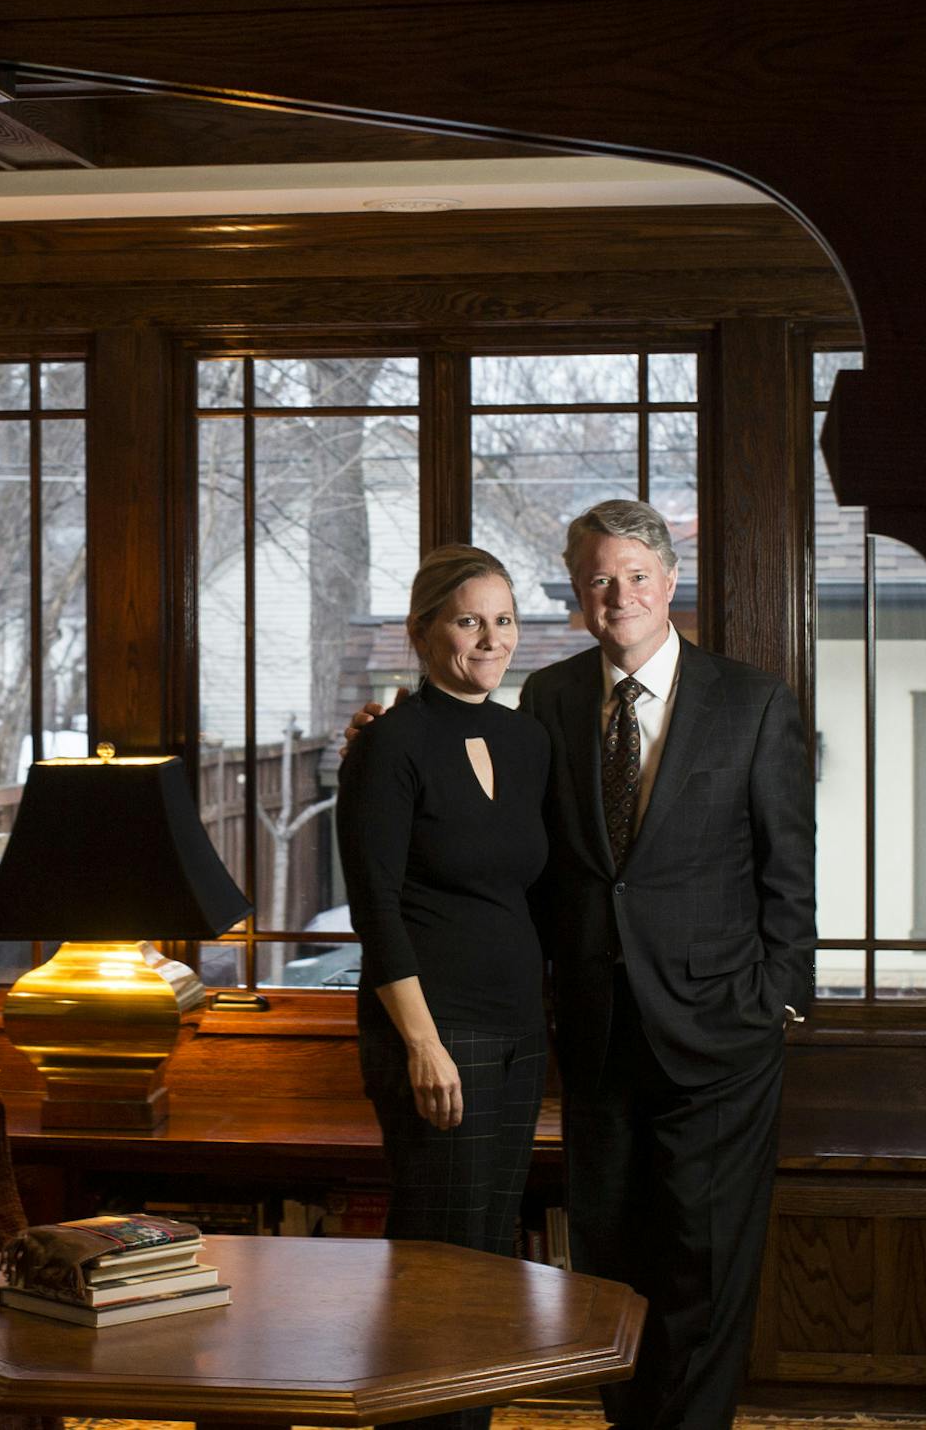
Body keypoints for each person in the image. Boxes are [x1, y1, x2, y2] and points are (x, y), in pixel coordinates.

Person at [344, 502, 815, 1430]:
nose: (620, 594)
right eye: (599, 579)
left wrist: (778, 1002)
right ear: (579, 595)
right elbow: (471, 809)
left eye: (637, 575)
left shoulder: (752, 701)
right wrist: (383, 730)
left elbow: (788, 871)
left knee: (708, 1262)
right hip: (594, 1032)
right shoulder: (548, 703)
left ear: (670, 583)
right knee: (611, 1261)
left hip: (722, 1031)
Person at [334, 545, 551, 1430]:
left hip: (517, 1031)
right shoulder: (385, 746)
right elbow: (375, 910)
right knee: (438, 1269)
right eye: (470, 620)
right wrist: (422, 1044)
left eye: (504, 620)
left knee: (488, 1263)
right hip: (436, 1034)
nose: (490, 638)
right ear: (423, 631)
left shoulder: (527, 738)